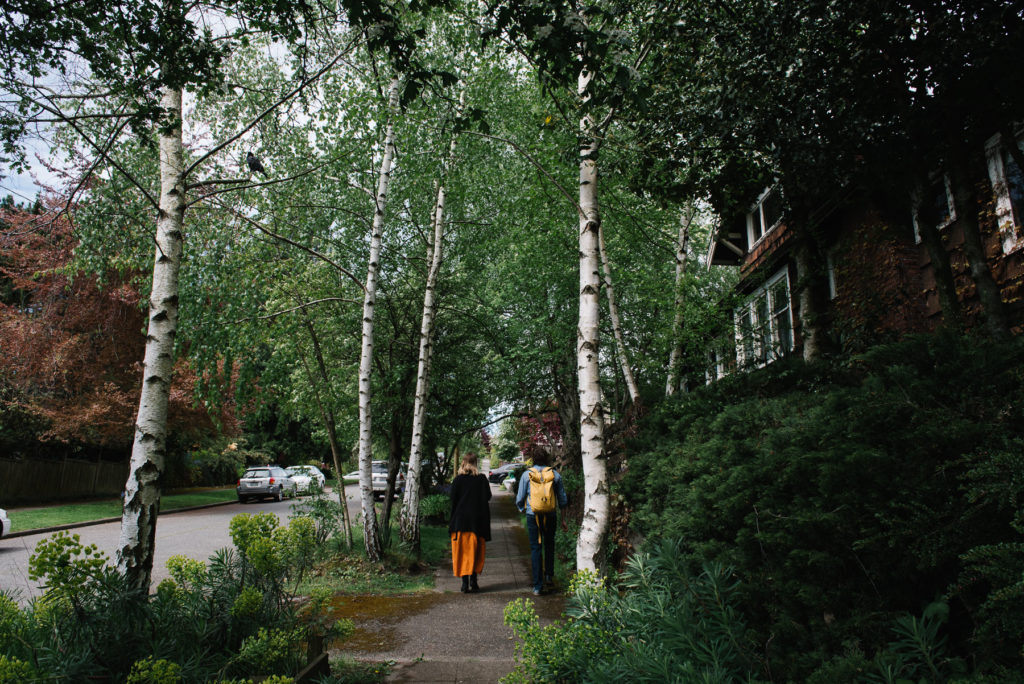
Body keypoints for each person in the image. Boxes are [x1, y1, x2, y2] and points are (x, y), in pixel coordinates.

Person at [515, 452, 568, 596]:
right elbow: (562, 500)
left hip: (533, 515)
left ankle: (538, 586)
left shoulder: (527, 475)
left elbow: (520, 498)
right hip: (550, 515)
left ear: (533, 460)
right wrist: (563, 519)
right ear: (547, 460)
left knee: (535, 548)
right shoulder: (555, 475)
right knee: (549, 545)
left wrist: (522, 508)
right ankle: (549, 576)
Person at [449, 453, 492, 593]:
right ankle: (474, 581)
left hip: (460, 522)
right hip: (477, 522)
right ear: (475, 463)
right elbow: (488, 496)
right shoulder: (481, 479)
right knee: (475, 551)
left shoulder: (458, 480)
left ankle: (464, 582)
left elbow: (452, 500)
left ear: (463, 462)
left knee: (462, 552)